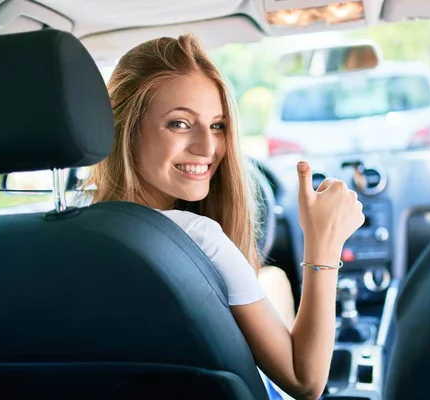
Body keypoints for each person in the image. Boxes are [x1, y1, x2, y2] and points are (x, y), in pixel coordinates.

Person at [79, 34, 364, 400]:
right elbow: (306, 381)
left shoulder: (64, 230)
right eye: (179, 124)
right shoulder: (198, 237)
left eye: (217, 125)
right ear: (124, 127)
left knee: (272, 278)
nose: (208, 148)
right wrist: (323, 243)